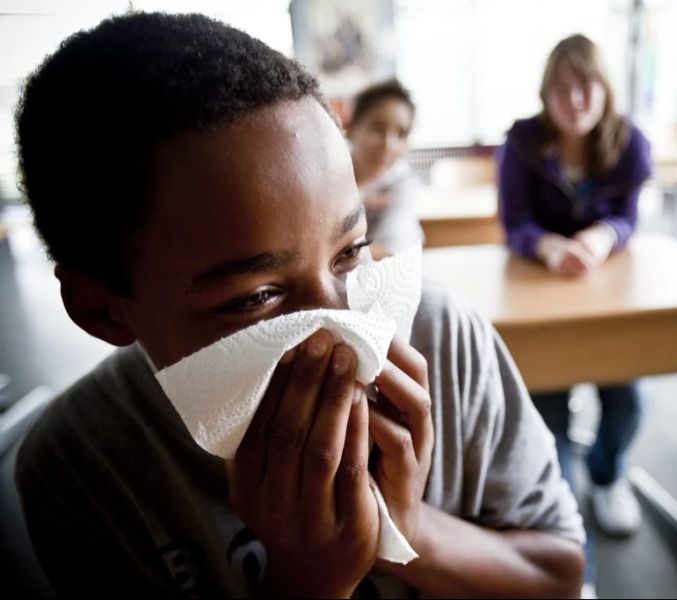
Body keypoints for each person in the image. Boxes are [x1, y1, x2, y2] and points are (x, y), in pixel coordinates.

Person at [14, 13, 585, 597]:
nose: (346, 335)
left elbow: (560, 577)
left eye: (350, 252)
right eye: (257, 296)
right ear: (103, 310)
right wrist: (310, 581)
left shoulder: (443, 340)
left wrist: (404, 533)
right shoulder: (82, 466)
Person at [497, 34, 653, 537]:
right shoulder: (521, 142)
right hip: (538, 296)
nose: (575, 100)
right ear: (545, 95)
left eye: (586, 86)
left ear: (605, 89)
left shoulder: (631, 144)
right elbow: (514, 222)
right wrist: (547, 247)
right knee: (548, 408)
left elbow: (628, 218)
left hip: (610, 299)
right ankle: (563, 522)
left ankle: (607, 476)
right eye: (561, 89)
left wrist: (603, 236)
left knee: (628, 398)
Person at [345, 79, 423, 259]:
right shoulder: (326, 175)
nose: (388, 144)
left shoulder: (404, 186)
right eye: (377, 128)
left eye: (401, 134)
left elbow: (390, 254)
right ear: (351, 128)